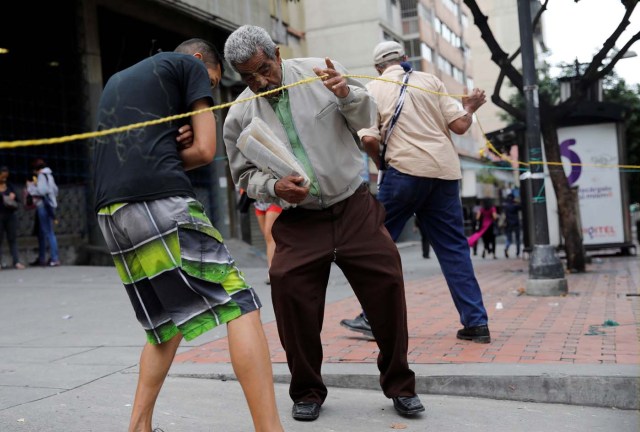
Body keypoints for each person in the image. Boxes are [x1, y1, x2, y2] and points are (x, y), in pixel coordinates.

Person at [223, 25, 423, 422]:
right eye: (249, 76)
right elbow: (243, 177)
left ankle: (400, 385)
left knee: (387, 283)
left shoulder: (321, 72)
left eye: (264, 68)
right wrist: (275, 186)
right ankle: (307, 390)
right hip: (299, 220)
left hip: (353, 205)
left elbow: (369, 120)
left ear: (277, 54)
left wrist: (345, 94)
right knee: (287, 286)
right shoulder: (239, 113)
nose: (261, 81)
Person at [93, 38, 284, 432]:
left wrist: (163, 140)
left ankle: (138, 427)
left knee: (165, 324)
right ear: (200, 61)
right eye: (212, 84)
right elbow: (204, 150)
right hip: (160, 201)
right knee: (241, 303)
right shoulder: (191, 66)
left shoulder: (118, 80)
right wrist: (179, 144)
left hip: (111, 212)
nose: (208, 91)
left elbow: (129, 149)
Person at [340, 41, 491, 345]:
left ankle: (372, 319)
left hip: (404, 173)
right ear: (405, 59)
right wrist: (470, 107)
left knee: (375, 244)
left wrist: (382, 163)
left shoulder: (373, 88)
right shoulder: (430, 81)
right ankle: (476, 323)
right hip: (444, 175)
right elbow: (460, 125)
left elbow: (369, 138)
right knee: (454, 250)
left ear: (378, 67)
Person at [26, 158, 60, 266]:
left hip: (43, 206)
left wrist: (31, 187)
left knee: (48, 232)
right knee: (43, 233)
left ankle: (54, 258)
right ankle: (43, 258)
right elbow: (55, 190)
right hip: (50, 204)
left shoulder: (41, 176)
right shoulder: (49, 175)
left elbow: (42, 191)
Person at [0, 166, 25, 269]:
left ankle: (16, 261)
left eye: (6, 177)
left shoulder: (10, 186)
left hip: (10, 215)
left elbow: (18, 199)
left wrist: (13, 196)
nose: (4, 179)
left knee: (12, 238)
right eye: (2, 176)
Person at [253, 199, 282, 284]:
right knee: (267, 237)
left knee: (269, 235)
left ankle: (272, 272)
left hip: (274, 199)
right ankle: (279, 266)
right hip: (259, 202)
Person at [503, 193, 522, 258]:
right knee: (517, 239)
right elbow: (521, 206)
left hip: (508, 224)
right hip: (516, 223)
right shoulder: (515, 206)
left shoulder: (506, 206)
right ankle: (517, 252)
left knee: (509, 239)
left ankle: (506, 247)